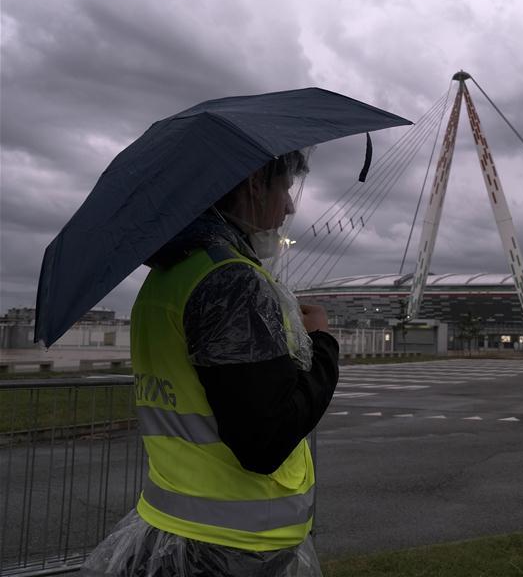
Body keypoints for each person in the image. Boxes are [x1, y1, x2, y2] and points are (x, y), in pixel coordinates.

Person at [81, 149, 339, 577]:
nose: (290, 207)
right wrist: (323, 345)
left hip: (171, 526)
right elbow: (266, 439)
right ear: (255, 185)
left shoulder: (169, 277)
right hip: (236, 544)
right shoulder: (232, 284)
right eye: (285, 188)